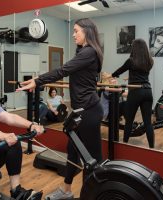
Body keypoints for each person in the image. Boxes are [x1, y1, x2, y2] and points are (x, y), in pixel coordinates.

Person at [17, 18, 104, 200]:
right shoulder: (85, 51)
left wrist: (37, 81)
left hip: (89, 110)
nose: (73, 34)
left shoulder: (89, 52)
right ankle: (66, 190)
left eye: (76, 31)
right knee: (72, 150)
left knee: (92, 159)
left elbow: (62, 71)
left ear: (87, 31)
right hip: (81, 110)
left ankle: (94, 195)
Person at [111, 38, 154, 148]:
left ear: (134, 48)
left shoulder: (131, 61)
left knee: (129, 121)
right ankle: (152, 148)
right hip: (148, 91)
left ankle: (125, 145)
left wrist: (111, 75)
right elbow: (141, 73)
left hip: (135, 91)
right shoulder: (150, 61)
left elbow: (119, 70)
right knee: (148, 123)